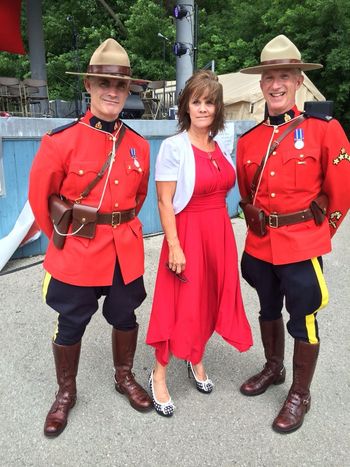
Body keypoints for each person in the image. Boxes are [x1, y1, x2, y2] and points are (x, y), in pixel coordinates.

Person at [29, 38, 152, 437]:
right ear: (88, 86)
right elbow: (40, 200)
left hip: (124, 252)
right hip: (78, 251)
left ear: (128, 88)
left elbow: (138, 197)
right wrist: (66, 240)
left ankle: (124, 376)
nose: (112, 92)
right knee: (70, 324)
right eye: (103, 84)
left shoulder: (137, 145)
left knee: (125, 316)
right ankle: (66, 393)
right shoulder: (60, 141)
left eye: (119, 85)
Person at [236, 34, 350, 433]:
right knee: (268, 309)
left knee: (304, 319)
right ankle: (273, 368)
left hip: (303, 244)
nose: (276, 84)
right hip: (261, 244)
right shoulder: (249, 140)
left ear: (298, 80)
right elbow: (245, 191)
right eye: (270, 77)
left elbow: (340, 192)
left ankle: (301, 393)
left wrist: (320, 234)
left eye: (285, 75)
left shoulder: (324, 129)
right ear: (262, 83)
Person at [146, 70, 253, 417]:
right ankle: (159, 374)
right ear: (186, 106)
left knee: (208, 298)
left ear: (218, 108)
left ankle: (195, 356)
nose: (203, 108)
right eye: (197, 101)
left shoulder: (221, 144)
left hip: (218, 232)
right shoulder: (173, 146)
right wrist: (174, 245)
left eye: (210, 102)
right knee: (177, 303)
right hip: (187, 233)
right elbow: (164, 202)